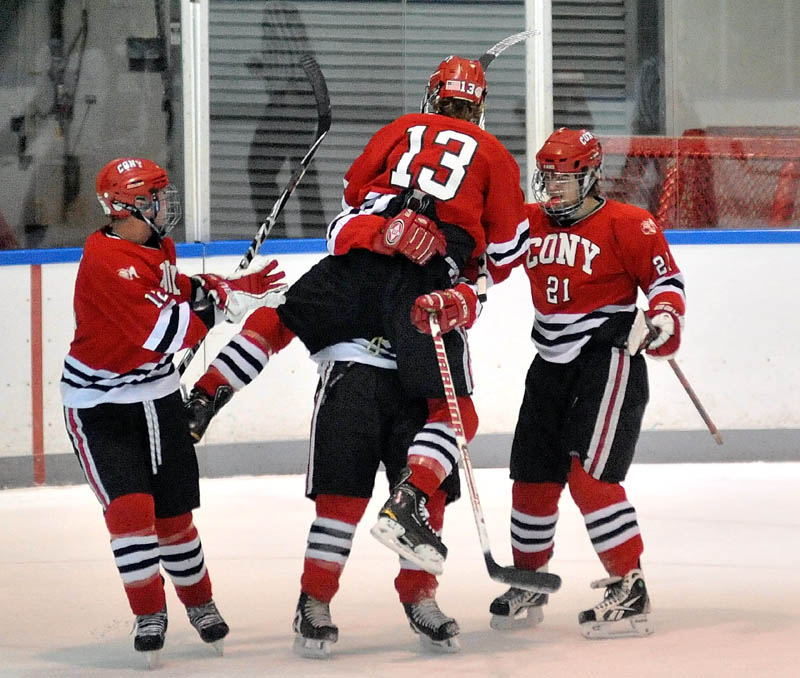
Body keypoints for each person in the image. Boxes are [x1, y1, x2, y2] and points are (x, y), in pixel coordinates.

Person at [414, 127, 686, 639]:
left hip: (607, 358)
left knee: (590, 477)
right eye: (548, 177)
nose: (552, 188)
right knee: (532, 478)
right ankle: (529, 582)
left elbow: (665, 284)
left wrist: (664, 319)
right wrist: (466, 284)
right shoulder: (532, 223)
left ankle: (630, 587)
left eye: (565, 178)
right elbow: (494, 264)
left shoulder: (630, 223)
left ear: (590, 175)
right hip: (549, 364)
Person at [60, 157, 287, 661]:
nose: (169, 205)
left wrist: (227, 290)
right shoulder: (104, 263)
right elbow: (166, 333)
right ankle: (148, 612)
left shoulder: (152, 243)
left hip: (156, 398)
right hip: (101, 406)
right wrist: (221, 309)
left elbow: (173, 290)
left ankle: (200, 604)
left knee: (174, 518)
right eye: (159, 196)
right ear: (131, 205)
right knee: (131, 512)